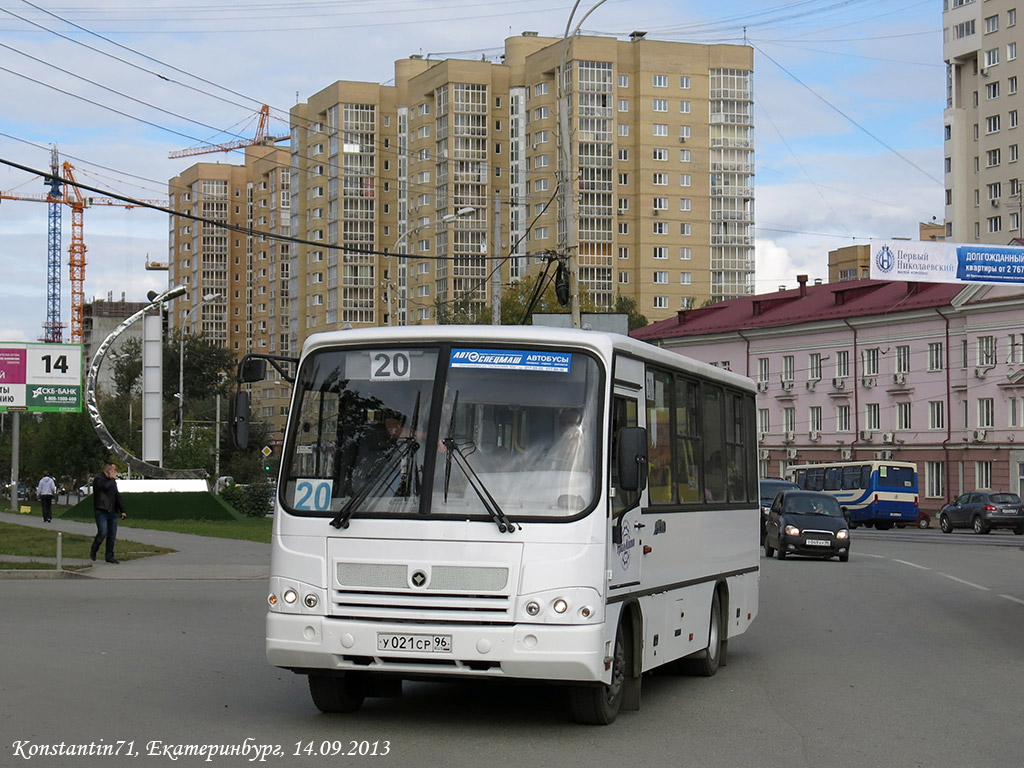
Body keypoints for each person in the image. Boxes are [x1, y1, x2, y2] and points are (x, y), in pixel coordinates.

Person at [90, 462, 127, 564]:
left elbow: (117, 495)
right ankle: (94, 548)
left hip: (112, 511)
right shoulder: (99, 480)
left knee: (112, 535)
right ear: (108, 471)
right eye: (113, 470)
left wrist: (122, 510)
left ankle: (109, 556)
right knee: (103, 532)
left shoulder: (112, 482)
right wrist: (112, 479)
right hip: (101, 510)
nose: (115, 473)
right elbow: (104, 487)